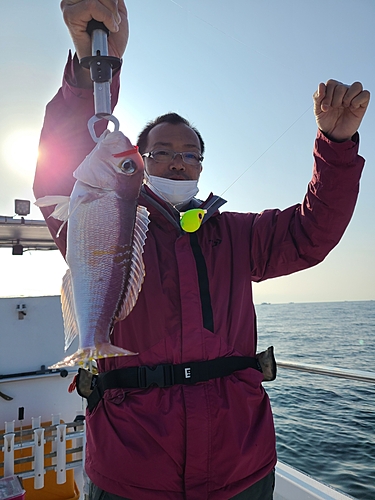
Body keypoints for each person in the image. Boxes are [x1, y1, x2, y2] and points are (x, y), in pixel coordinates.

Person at [33, 1, 370, 499]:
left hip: (241, 467)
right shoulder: (101, 215)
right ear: (142, 162)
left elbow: (312, 233)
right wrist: (91, 71)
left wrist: (336, 145)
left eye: (191, 154)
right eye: (163, 152)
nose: (178, 163)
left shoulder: (236, 234)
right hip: (133, 470)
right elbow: (58, 171)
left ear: (201, 167)